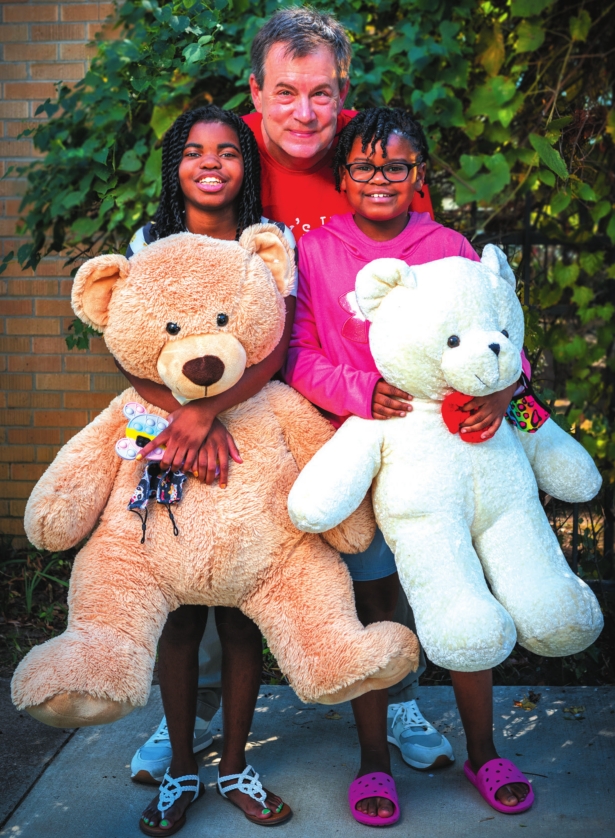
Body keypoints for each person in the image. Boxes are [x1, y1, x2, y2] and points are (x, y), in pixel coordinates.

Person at [127, 7, 458, 796]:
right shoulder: (227, 151)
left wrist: (495, 393)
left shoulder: (369, 154)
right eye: (285, 91)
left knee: (383, 562)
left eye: (321, 93)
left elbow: (427, 283)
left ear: (343, 94)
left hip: (356, 409)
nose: (304, 112)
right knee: (209, 559)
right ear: (256, 92)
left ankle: (398, 699)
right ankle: (194, 714)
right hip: (236, 406)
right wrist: (192, 407)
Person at [283, 106, 533, 823]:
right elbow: (297, 354)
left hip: (451, 460)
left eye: (396, 165)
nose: (380, 178)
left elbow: (500, 336)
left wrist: (507, 390)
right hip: (365, 452)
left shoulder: (448, 246)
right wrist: (358, 390)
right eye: (363, 165)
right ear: (342, 176)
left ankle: (483, 751)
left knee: (461, 597)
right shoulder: (316, 251)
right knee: (375, 609)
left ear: (418, 173)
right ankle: (372, 759)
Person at [126, 105, 295, 834]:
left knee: (237, 611)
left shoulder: (266, 239)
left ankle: (233, 764)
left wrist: (213, 410)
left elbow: (276, 346)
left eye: (227, 151)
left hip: (245, 432)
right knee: (179, 609)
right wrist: (184, 414)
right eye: (195, 151)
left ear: (245, 165)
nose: (211, 163)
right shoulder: (149, 241)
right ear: (176, 164)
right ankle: (180, 767)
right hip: (164, 430)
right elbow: (127, 343)